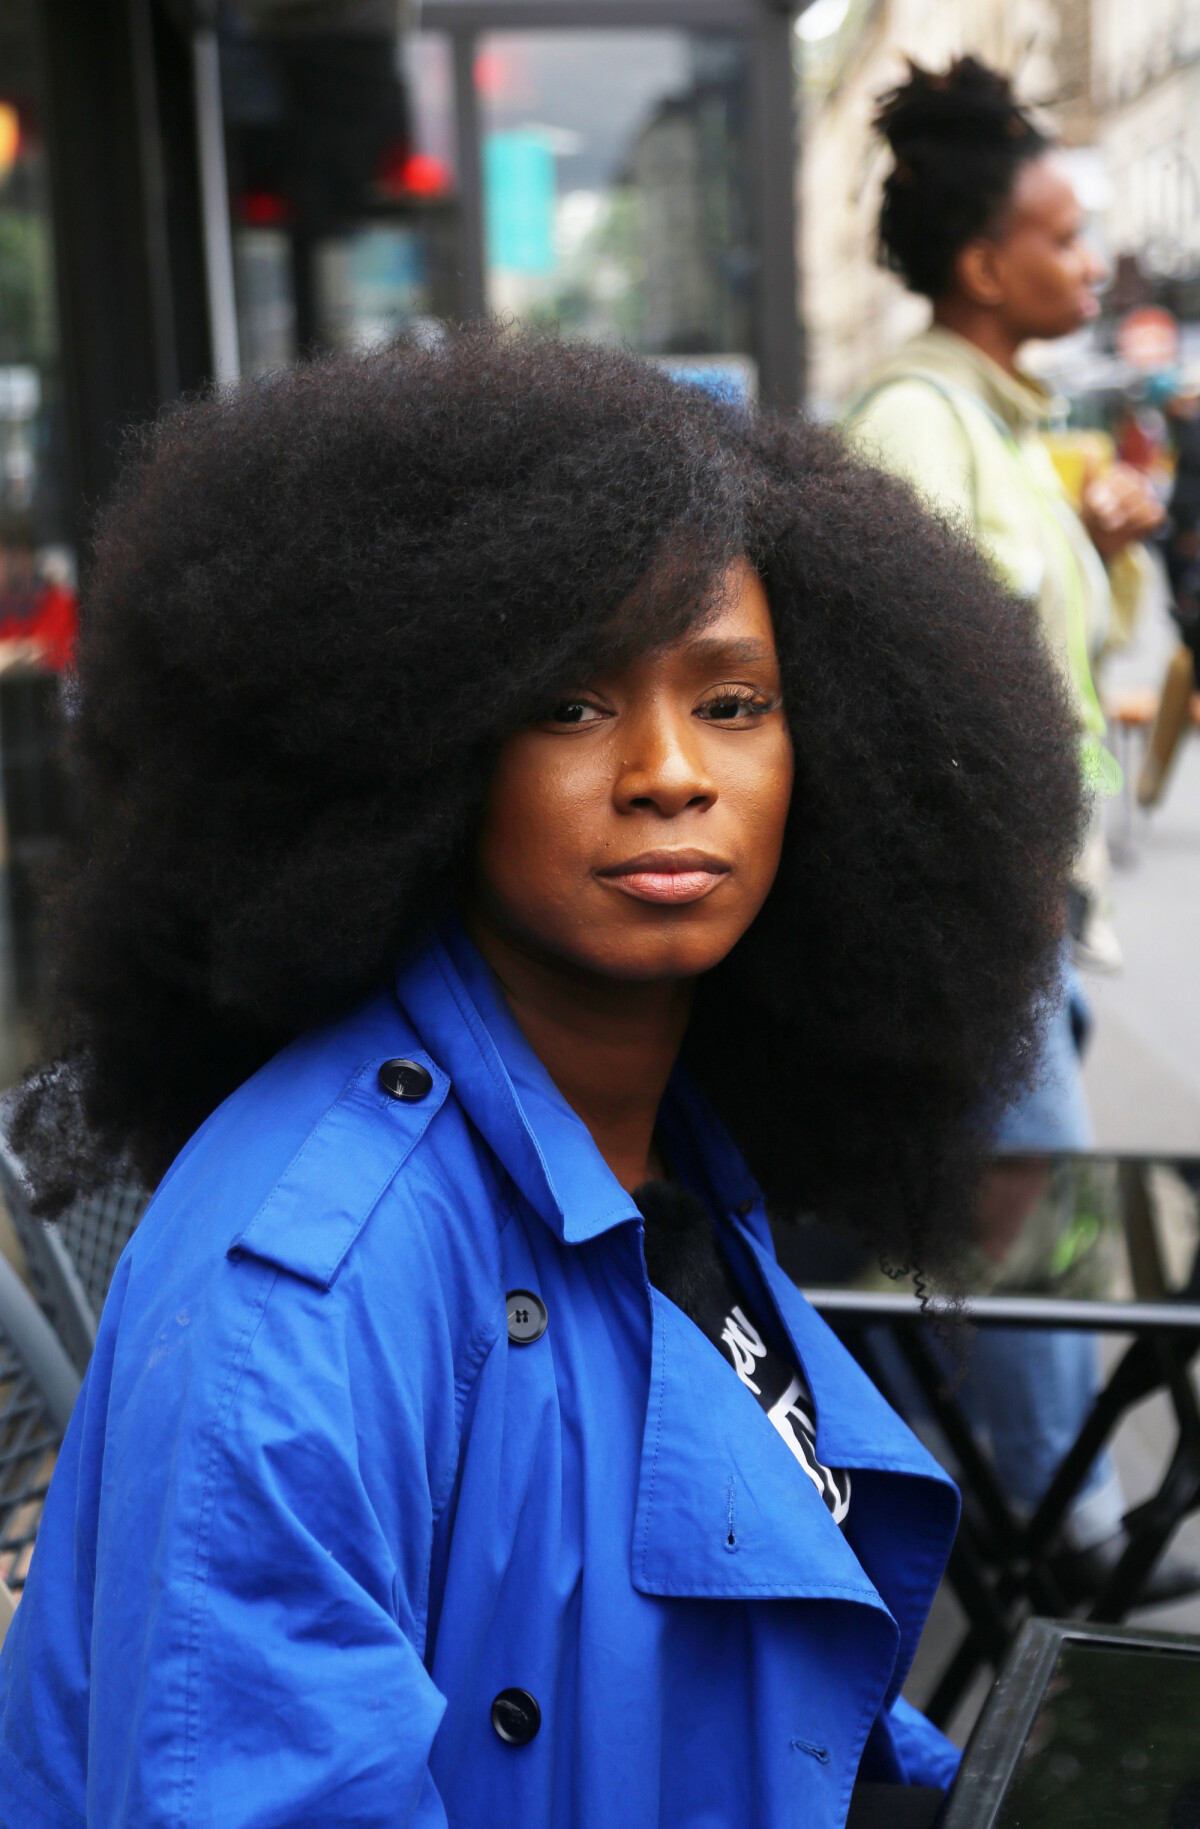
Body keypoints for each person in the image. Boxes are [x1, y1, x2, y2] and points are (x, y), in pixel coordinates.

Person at [0, 330, 1081, 1828]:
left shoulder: (662, 1144)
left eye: (733, 701)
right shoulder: (307, 1289)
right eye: (571, 704)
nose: (667, 771)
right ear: (421, 754)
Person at [848, 57, 1194, 1605]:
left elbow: (1035, 646)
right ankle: (1059, 1576)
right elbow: (899, 682)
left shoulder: (995, 424)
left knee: (1004, 1258)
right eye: (1062, 240)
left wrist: (1107, 545)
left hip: (1017, 921)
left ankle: (995, 1551)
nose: (1087, 264)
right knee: (1028, 1273)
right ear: (986, 267)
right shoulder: (920, 424)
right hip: (973, 933)